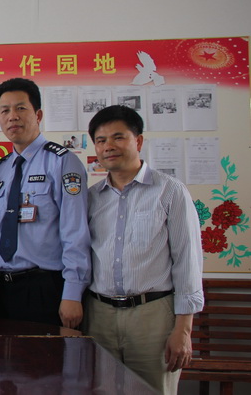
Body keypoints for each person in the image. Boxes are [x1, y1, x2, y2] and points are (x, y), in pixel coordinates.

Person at [84, 105, 203, 394]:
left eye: (118, 137)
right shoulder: (90, 198)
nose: (108, 146)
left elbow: (187, 261)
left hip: (153, 317)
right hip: (99, 316)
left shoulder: (170, 191)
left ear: (137, 141)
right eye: (101, 140)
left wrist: (183, 329)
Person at [0, 77, 91, 328]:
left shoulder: (61, 161)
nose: (12, 116)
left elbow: (75, 231)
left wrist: (72, 292)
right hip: (3, 289)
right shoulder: (1, 170)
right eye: (4, 110)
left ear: (38, 114)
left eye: (21, 108)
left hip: (45, 288)